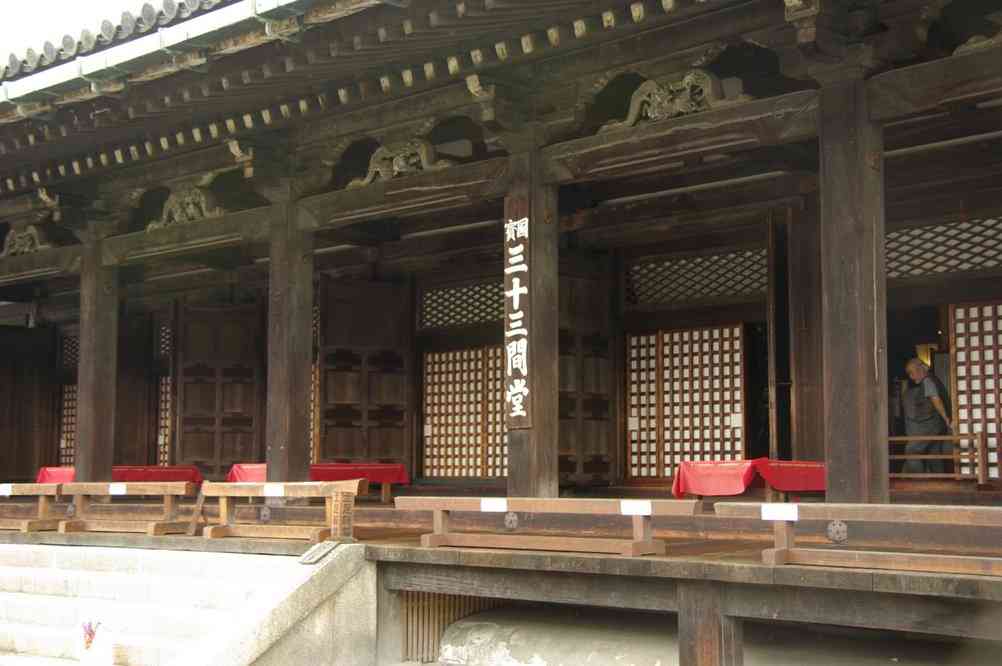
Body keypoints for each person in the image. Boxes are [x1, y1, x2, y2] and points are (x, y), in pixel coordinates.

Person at [900, 358, 953, 474]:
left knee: (911, 451)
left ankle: (919, 480)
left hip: (931, 426)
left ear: (920, 369)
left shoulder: (928, 381)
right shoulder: (933, 379)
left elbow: (936, 400)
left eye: (911, 372)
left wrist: (946, 418)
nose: (911, 377)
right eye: (909, 374)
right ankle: (940, 481)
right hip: (938, 426)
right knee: (933, 454)